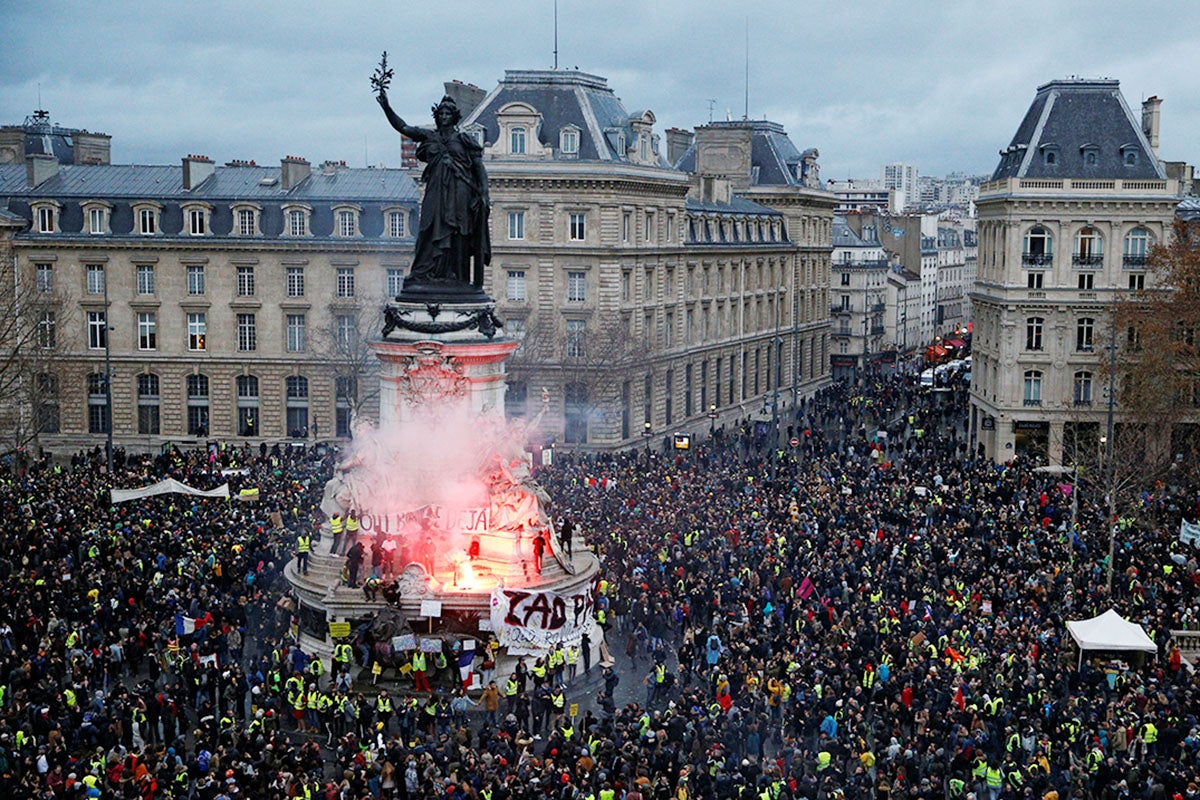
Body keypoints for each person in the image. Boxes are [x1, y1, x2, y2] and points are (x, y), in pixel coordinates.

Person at [376, 89, 490, 289]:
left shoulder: (464, 140)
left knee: (457, 232)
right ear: (437, 117)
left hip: (460, 190)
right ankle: (425, 271)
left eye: (448, 114)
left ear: (454, 117)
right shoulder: (430, 136)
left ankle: (457, 276)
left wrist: (484, 193)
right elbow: (404, 127)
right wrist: (387, 108)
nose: (444, 117)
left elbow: (479, 168)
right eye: (441, 114)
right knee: (428, 227)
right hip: (436, 190)